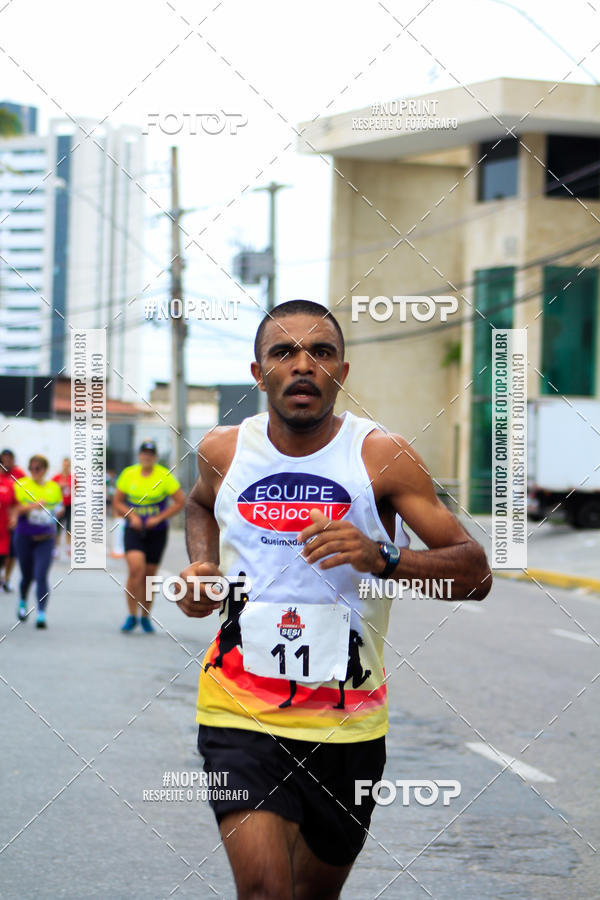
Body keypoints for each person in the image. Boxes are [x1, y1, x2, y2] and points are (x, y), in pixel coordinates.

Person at [177, 299, 492, 900]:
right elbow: (199, 502)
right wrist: (202, 566)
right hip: (238, 712)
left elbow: (474, 574)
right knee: (265, 889)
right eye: (284, 353)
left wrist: (381, 556)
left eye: (320, 352)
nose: (303, 365)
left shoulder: (382, 456)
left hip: (348, 728)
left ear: (341, 373)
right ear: (259, 373)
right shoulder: (223, 449)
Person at [112, 441, 185, 633]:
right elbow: (117, 502)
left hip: (157, 531)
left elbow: (180, 502)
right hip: (134, 530)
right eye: (144, 453)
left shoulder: (164, 476)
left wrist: (159, 518)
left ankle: (145, 615)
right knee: (136, 569)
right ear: (139, 455)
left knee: (149, 576)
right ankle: (131, 615)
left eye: (150, 454)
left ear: (155, 457)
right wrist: (132, 516)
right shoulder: (129, 474)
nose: (147, 457)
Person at [10, 455, 63, 628]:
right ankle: (23, 601)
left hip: (45, 538)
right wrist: (34, 506)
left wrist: (56, 512)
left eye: (38, 468)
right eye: (31, 468)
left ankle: (41, 613)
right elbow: (15, 508)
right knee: (27, 575)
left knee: (41, 575)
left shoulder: (53, 487)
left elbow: (59, 507)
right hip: (24, 537)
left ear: (45, 469)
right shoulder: (21, 485)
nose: (34, 471)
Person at [0, 449, 26, 592]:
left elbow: (25, 496)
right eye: (3, 460)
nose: (6, 463)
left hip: (15, 520)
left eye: (9, 460)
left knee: (12, 553)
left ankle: (7, 578)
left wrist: (16, 514)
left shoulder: (19, 475)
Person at [52, 457, 73, 557]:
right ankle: (56, 547)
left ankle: (68, 546)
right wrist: (59, 486)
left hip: (69, 505)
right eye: (65, 465)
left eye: (67, 465)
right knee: (58, 527)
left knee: (69, 527)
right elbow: (51, 488)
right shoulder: (57, 477)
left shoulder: (73, 478)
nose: (66, 467)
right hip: (59, 505)